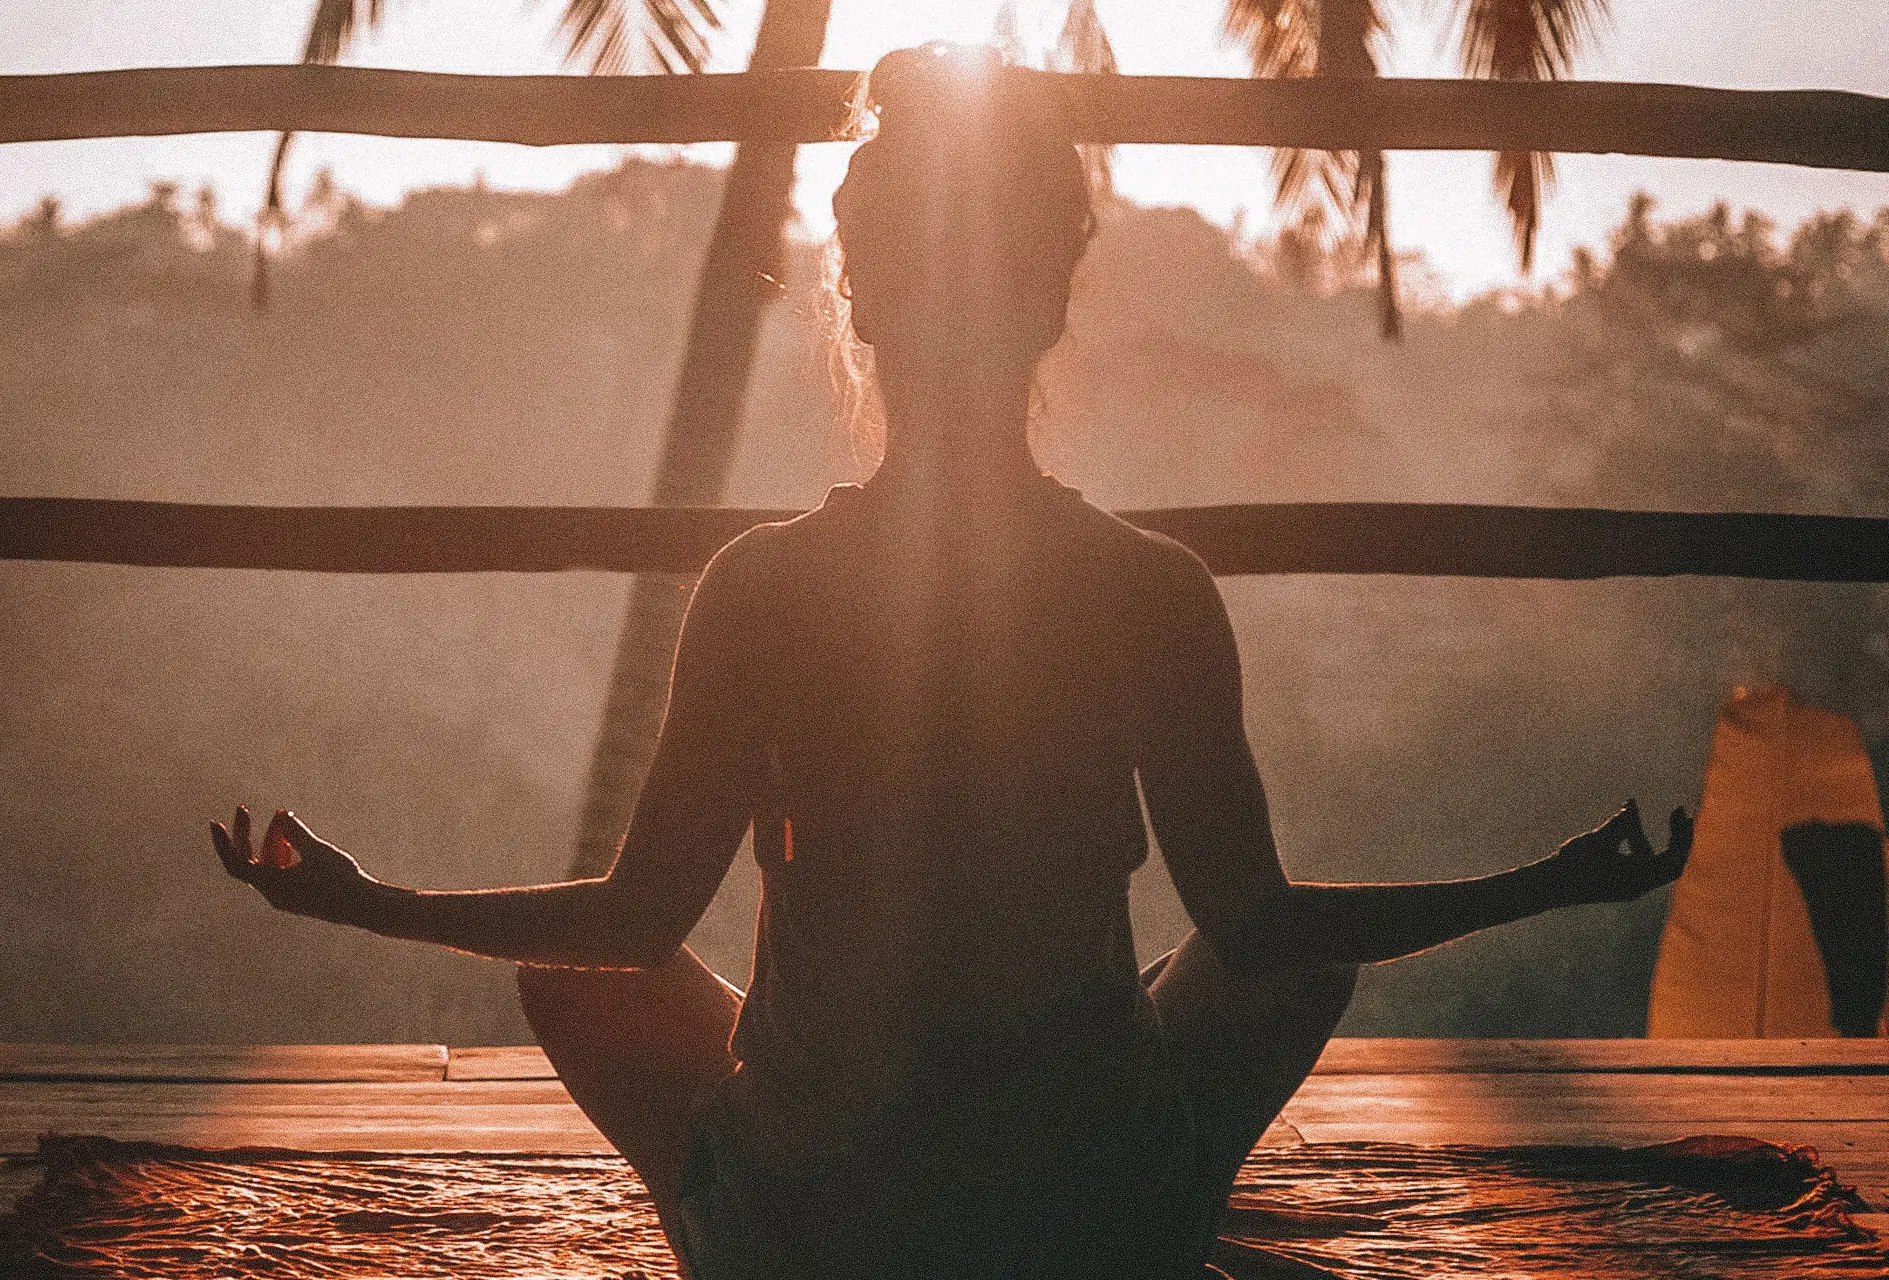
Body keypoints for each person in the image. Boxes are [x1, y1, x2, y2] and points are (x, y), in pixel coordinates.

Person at [210, 44, 1693, 1280]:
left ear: (857, 294)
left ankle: (740, 1233)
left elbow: (631, 917)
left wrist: (369, 901)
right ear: (1053, 298)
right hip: (1087, 1220)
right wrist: (1549, 882)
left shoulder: (765, 587)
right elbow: (1262, 925)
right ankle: (1153, 1217)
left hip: (825, 1224)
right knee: (1285, 964)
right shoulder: (1148, 590)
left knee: (578, 986)